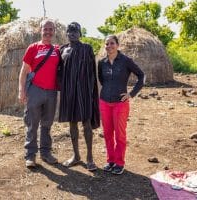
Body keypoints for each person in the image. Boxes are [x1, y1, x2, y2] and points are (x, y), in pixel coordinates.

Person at [98, 35, 144, 175]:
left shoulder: (125, 61)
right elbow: (101, 79)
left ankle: (119, 163)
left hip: (120, 103)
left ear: (117, 45)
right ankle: (110, 160)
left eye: (112, 43)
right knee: (107, 134)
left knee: (120, 135)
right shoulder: (102, 62)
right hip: (104, 102)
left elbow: (141, 76)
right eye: (107, 44)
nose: (109, 46)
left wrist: (131, 94)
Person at [58, 22, 100, 171]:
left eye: (76, 31)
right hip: (69, 92)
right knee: (72, 124)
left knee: (86, 123)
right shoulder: (62, 50)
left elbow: (92, 73)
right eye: (70, 31)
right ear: (66, 33)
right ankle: (76, 156)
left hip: (84, 91)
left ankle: (90, 158)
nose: (73, 33)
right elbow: (58, 71)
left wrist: (92, 92)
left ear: (80, 34)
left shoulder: (87, 48)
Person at [18, 19, 60, 168]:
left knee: (47, 124)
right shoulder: (33, 48)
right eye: (45, 29)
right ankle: (30, 155)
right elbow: (23, 71)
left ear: (54, 31)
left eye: (51, 29)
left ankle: (46, 153)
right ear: (40, 30)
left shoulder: (57, 50)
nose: (48, 32)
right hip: (35, 90)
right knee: (32, 123)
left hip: (51, 92)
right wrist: (21, 90)